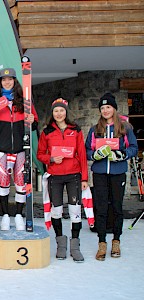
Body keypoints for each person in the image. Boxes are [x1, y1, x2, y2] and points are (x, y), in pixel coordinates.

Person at [85, 93, 138, 261]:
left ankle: (116, 241)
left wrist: (121, 154)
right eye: (102, 108)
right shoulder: (95, 130)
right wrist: (95, 155)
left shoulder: (124, 128)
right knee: (100, 208)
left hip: (117, 172)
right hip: (100, 173)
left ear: (114, 108)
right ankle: (102, 243)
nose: (105, 110)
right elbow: (86, 150)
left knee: (116, 207)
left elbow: (134, 148)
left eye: (108, 107)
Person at [0, 68, 38, 231]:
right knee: (3, 182)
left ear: (15, 81)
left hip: (21, 149)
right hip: (1, 149)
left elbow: (35, 125)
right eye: (4, 79)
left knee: (21, 183)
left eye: (10, 79)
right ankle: (5, 216)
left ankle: (19, 215)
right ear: (0, 83)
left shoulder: (25, 102)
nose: (7, 82)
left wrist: (31, 120)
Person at [37, 98, 88, 262]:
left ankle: (75, 246)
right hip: (55, 176)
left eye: (62, 110)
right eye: (56, 111)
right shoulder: (47, 132)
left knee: (75, 210)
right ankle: (61, 244)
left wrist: (85, 177)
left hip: (73, 175)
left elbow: (82, 154)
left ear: (66, 112)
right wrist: (51, 159)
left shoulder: (76, 130)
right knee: (56, 211)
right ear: (52, 113)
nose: (59, 113)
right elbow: (40, 154)